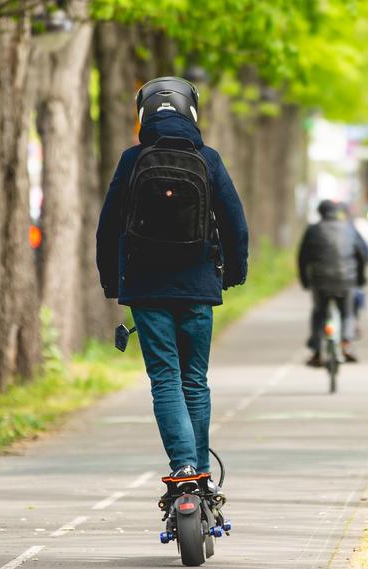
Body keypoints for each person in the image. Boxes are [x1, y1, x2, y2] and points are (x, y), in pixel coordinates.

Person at [96, 77, 249, 489]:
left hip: (146, 289)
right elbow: (235, 223)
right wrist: (234, 272)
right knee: (194, 381)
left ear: (143, 114)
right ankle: (202, 478)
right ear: (191, 111)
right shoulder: (208, 159)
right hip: (198, 286)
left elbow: (108, 227)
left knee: (165, 379)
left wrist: (112, 281)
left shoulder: (132, 160)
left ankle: (183, 468)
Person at [298, 200, 368, 367]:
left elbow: (302, 258)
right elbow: (361, 255)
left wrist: (305, 280)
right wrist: (360, 279)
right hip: (346, 279)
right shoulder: (349, 228)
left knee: (319, 313)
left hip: (319, 280)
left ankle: (317, 352)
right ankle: (346, 344)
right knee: (347, 313)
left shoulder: (313, 230)